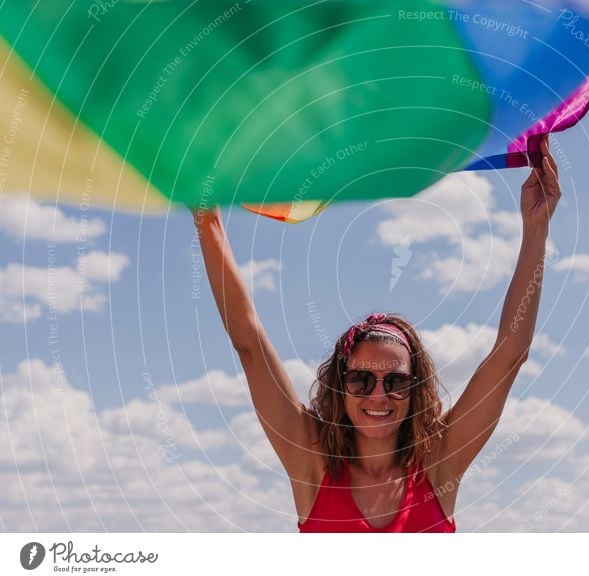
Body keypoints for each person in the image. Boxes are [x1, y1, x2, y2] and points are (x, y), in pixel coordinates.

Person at [192, 134, 561, 532]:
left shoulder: (439, 462)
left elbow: (509, 356)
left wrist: (536, 227)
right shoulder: (311, 461)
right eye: (361, 379)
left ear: (415, 388)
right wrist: (206, 218)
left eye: (396, 381)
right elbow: (249, 342)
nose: (379, 395)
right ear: (340, 384)